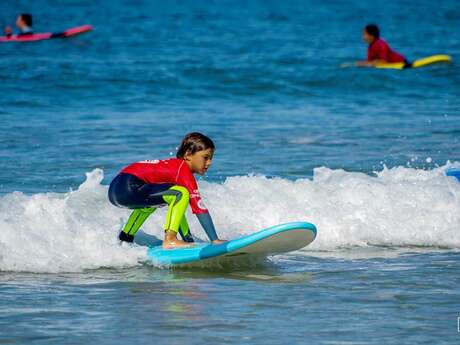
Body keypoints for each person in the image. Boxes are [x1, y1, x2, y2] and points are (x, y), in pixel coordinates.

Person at [108, 132, 226, 249]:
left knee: (155, 203)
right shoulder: (183, 171)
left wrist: (189, 241)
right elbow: (200, 208)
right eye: (205, 157)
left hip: (116, 189)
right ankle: (170, 240)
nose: (209, 163)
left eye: (211, 158)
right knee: (181, 193)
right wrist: (214, 240)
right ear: (188, 155)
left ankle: (125, 239)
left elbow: (178, 213)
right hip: (129, 186)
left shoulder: (173, 167)